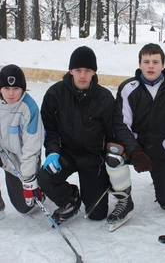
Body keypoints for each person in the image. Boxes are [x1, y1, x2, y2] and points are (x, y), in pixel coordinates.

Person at [105, 43, 165, 228]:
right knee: (113, 157)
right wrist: (135, 152)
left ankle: (163, 177)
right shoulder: (128, 88)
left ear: (163, 65)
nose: (151, 66)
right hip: (136, 148)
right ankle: (125, 201)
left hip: (163, 150)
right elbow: (121, 125)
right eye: (146, 61)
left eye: (155, 62)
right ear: (140, 64)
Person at [37, 46, 114, 224]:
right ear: (70, 70)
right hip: (66, 154)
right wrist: (53, 151)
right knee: (45, 177)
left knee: (97, 214)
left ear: (94, 72)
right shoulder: (55, 94)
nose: (82, 75)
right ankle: (70, 197)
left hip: (93, 158)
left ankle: (92, 192)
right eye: (78, 70)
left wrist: (112, 161)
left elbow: (112, 132)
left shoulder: (105, 97)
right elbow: (50, 129)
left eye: (87, 70)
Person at [0, 64, 44, 217]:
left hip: (21, 159)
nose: (11, 93)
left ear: (23, 89)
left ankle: (40, 190)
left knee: (24, 208)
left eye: (16, 89)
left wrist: (28, 180)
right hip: (3, 152)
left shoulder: (29, 108)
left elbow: (31, 148)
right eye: (6, 88)